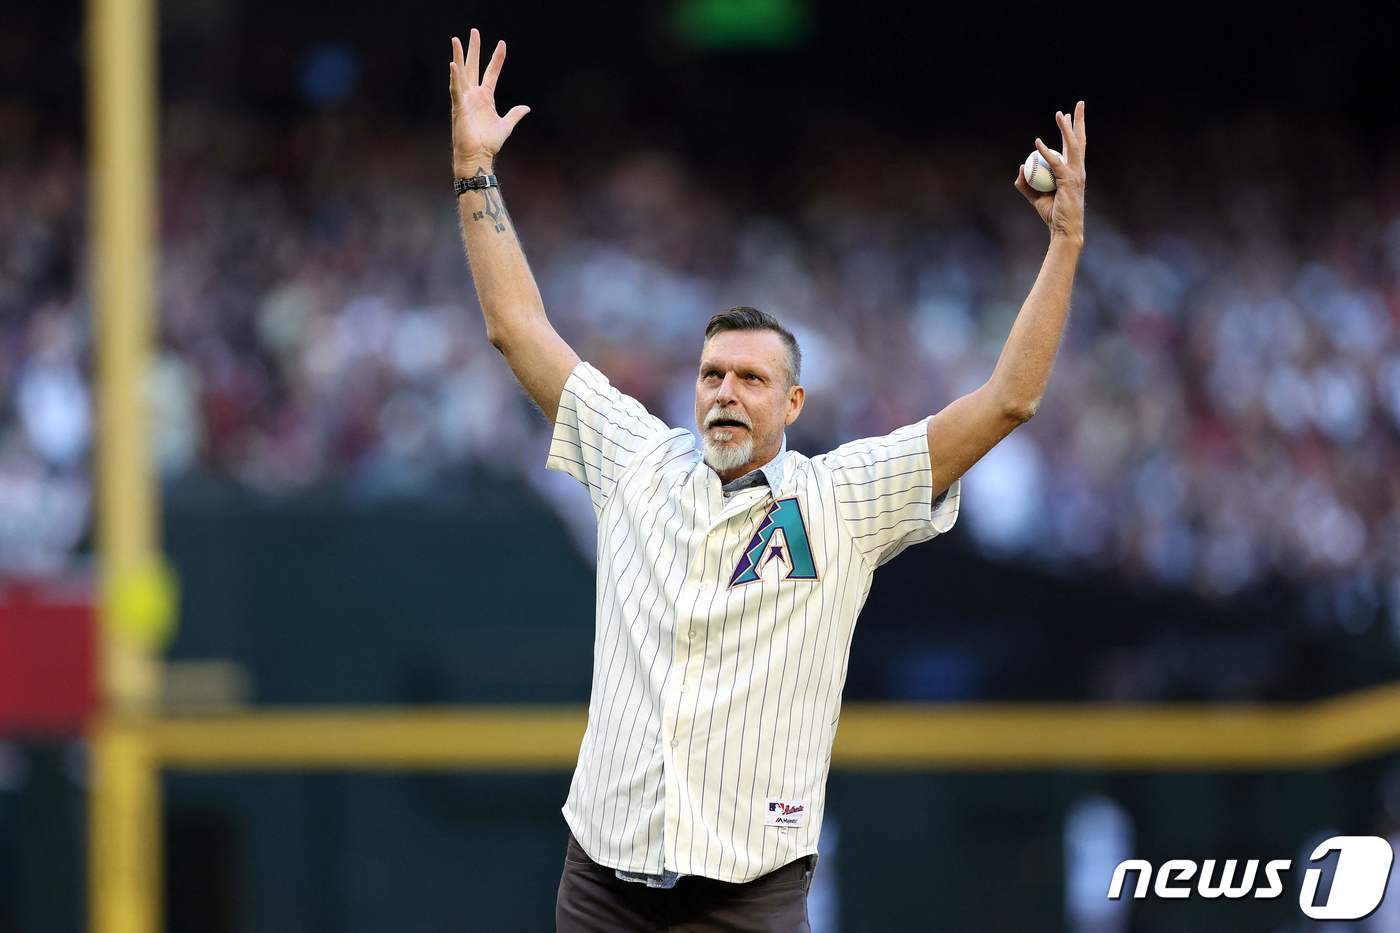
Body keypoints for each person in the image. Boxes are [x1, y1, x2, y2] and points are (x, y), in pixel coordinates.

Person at [448, 28, 1087, 932]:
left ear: (792, 402)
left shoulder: (840, 499)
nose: (726, 392)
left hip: (745, 890)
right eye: (712, 374)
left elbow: (1010, 400)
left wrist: (1063, 245)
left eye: (750, 379)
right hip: (603, 875)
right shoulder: (636, 456)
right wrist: (475, 172)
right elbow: (517, 326)